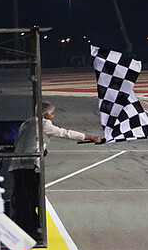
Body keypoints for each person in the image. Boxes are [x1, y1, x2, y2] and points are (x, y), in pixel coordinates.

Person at [8, 102, 103, 240]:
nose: (53, 116)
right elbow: (65, 133)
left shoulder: (26, 123)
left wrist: (41, 148)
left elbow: (18, 142)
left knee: (21, 199)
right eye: (52, 114)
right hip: (30, 167)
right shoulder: (44, 123)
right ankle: (33, 230)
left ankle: (23, 227)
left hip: (16, 166)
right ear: (46, 114)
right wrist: (90, 137)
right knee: (33, 199)